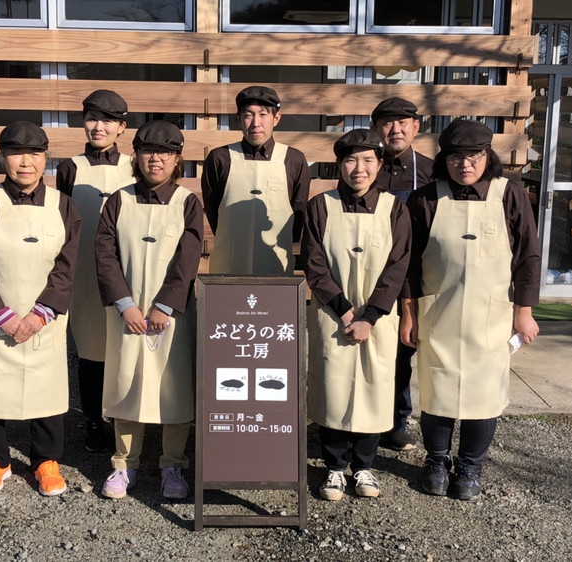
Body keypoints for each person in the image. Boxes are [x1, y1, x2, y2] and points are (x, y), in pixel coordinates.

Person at [401, 119, 541, 501]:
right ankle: (437, 460)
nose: (465, 165)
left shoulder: (509, 194)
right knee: (437, 391)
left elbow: (528, 256)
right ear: (444, 160)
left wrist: (524, 311)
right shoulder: (425, 199)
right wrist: (409, 314)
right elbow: (409, 264)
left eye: (474, 156)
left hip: (490, 315)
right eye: (456, 157)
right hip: (437, 312)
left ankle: (470, 465)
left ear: (487, 157)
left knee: (484, 395)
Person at [0, 121, 82, 496]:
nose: (25, 162)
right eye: (16, 153)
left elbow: (67, 263)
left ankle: (46, 460)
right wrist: (3, 315)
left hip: (43, 317)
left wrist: (41, 312)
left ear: (45, 158)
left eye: (34, 154)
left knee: (46, 388)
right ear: (3, 158)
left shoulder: (63, 204)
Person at [95, 120, 203, 500]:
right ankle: (124, 464)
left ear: (177, 160)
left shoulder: (187, 202)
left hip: (169, 315)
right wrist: (125, 305)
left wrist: (165, 304)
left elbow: (188, 258)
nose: (155, 159)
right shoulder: (118, 200)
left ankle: (172, 463)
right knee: (125, 383)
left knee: (173, 387)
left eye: (166, 152)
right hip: (127, 313)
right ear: (136, 156)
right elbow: (105, 255)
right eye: (147, 151)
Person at [303, 129, 411, 501]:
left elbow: (398, 266)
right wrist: (344, 310)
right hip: (333, 315)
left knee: (373, 388)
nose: (358, 168)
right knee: (331, 385)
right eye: (350, 160)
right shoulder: (321, 206)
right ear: (339, 165)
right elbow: (314, 263)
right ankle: (333, 467)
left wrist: (371, 315)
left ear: (380, 165)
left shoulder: (395, 208)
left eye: (367, 160)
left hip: (376, 318)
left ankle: (364, 465)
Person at [56, 89, 134, 453]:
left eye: (107, 120)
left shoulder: (134, 165)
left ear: (122, 126)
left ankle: (125, 419)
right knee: (90, 351)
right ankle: (92, 421)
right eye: (91, 118)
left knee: (124, 347)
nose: (97, 126)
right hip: (84, 271)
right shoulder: (71, 167)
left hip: (125, 268)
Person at [371, 97, 434, 452]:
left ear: (415, 127)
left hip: (417, 273)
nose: (395, 130)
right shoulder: (368, 166)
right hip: (373, 270)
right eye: (387, 123)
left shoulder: (430, 170)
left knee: (403, 352)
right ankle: (367, 415)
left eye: (402, 123)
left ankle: (397, 420)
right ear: (377, 129)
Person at [201, 85, 311, 275]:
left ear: (276, 119)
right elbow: (215, 214)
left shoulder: (293, 159)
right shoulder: (219, 158)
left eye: (263, 114)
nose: (255, 123)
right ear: (238, 119)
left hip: (276, 260)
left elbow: (298, 213)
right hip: (230, 261)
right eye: (248, 115)